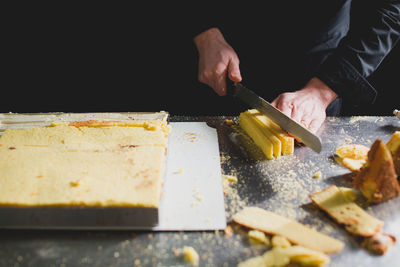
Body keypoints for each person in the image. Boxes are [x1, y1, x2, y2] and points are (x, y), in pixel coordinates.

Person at [193, 1, 400, 133]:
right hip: (223, 61)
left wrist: (323, 89)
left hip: (319, 69)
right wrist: (204, 30)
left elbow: (391, 10)